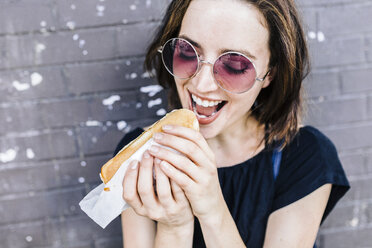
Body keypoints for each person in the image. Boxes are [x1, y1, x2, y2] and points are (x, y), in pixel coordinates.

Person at [116, 0, 350, 247]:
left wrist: (213, 210)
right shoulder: (138, 154)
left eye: (235, 65)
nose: (201, 84)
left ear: (270, 73)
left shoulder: (306, 156)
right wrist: (174, 226)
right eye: (187, 51)